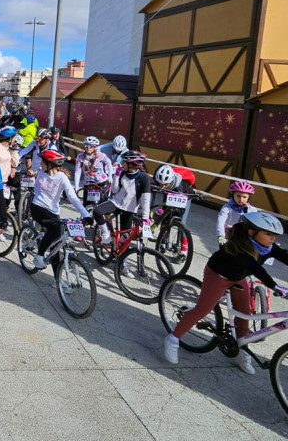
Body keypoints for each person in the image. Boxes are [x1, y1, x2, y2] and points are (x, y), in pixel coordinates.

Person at [163, 212, 288, 374]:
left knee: (244, 315)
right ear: (252, 232)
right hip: (218, 275)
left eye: (275, 235)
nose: (273, 238)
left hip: (239, 278)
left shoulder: (266, 247)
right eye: (269, 234)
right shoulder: (239, 247)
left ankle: (243, 350)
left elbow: (284, 256)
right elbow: (256, 269)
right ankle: (173, 339)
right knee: (203, 309)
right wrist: (275, 286)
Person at [29, 150, 92, 272]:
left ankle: (57, 280)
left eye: (43, 161)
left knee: (56, 246)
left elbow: (72, 197)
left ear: (50, 164)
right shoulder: (41, 172)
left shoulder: (62, 177)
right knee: (55, 229)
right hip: (37, 207)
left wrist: (86, 214)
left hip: (53, 212)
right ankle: (39, 255)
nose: (41, 163)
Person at [93, 150, 152, 245]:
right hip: (116, 202)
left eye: (124, 162)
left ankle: (122, 259)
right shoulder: (122, 173)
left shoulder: (143, 178)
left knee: (124, 239)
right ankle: (106, 233)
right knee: (97, 211)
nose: (121, 164)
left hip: (130, 208)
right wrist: (116, 176)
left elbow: (146, 199)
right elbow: (115, 190)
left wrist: (145, 218)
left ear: (131, 164)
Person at [73, 136, 114, 205]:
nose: (88, 148)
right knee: (86, 206)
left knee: (102, 206)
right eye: (86, 145)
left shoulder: (101, 155)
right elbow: (77, 172)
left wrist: (110, 176)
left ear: (95, 147)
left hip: (101, 182)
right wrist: (76, 187)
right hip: (89, 183)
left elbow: (109, 163)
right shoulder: (80, 157)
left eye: (91, 146)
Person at [217, 180, 258, 245]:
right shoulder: (227, 208)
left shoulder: (252, 209)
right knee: (225, 251)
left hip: (243, 234)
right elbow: (220, 222)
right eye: (238, 196)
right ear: (233, 195)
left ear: (248, 198)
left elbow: (253, 222)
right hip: (229, 233)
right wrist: (221, 236)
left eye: (244, 197)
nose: (241, 199)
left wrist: (246, 210)